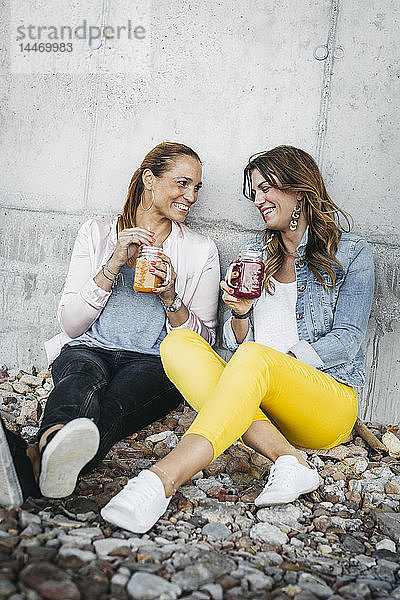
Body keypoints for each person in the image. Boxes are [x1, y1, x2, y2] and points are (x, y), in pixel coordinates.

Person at [101, 145, 374, 534]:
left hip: (326, 405)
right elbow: (234, 341)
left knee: (254, 359)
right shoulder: (253, 253)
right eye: (255, 192)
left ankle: (159, 481)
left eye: (267, 189)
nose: (258, 200)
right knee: (177, 345)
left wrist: (279, 364)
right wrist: (242, 312)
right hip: (258, 407)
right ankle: (288, 460)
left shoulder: (351, 252)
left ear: (300, 191)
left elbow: (347, 338)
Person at [0, 142, 220, 509]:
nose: (191, 196)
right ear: (149, 179)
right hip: (90, 347)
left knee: (114, 408)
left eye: (196, 187)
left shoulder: (200, 250)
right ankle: (52, 450)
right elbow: (70, 324)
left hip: (155, 361)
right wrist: (114, 264)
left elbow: (205, 340)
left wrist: (171, 298)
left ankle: (28, 461)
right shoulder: (98, 233)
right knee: (79, 382)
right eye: (182, 183)